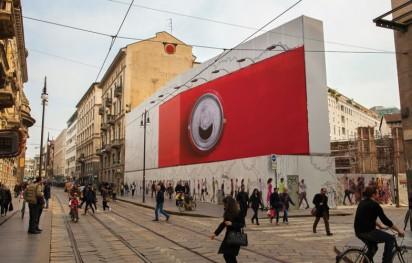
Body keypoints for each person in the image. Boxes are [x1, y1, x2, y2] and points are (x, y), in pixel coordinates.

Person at [354, 186, 405, 263]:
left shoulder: (362, 202)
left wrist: (379, 226)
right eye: (377, 193)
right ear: (373, 195)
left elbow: (367, 217)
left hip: (358, 231)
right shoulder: (375, 205)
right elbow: (386, 221)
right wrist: (399, 230)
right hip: (368, 232)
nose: (379, 194)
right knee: (390, 239)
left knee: (373, 248)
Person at [210, 196, 245, 263]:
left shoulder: (239, 212)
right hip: (228, 237)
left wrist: (232, 224)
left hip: (236, 237)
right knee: (228, 255)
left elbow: (242, 224)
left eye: (225, 204)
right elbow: (223, 224)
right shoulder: (227, 213)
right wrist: (215, 233)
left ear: (229, 204)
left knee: (229, 256)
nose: (224, 206)